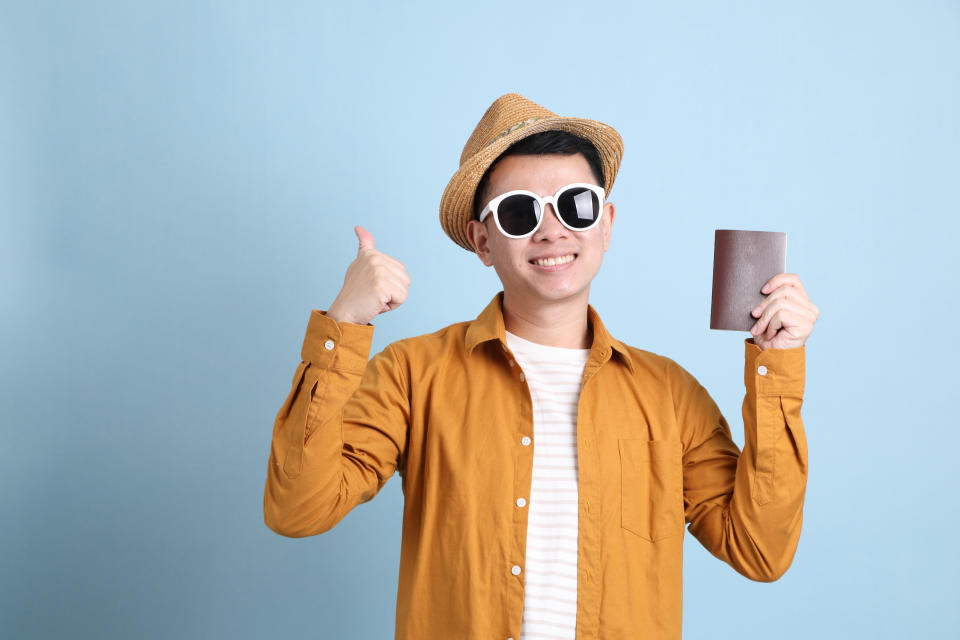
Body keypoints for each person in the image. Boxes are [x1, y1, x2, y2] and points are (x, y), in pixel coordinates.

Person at [262, 93, 819, 640]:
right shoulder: (413, 376)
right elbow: (298, 509)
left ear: (606, 224)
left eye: (577, 204)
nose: (552, 230)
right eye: (519, 211)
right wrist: (343, 327)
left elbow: (760, 551)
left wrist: (779, 365)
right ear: (482, 241)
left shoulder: (669, 396)